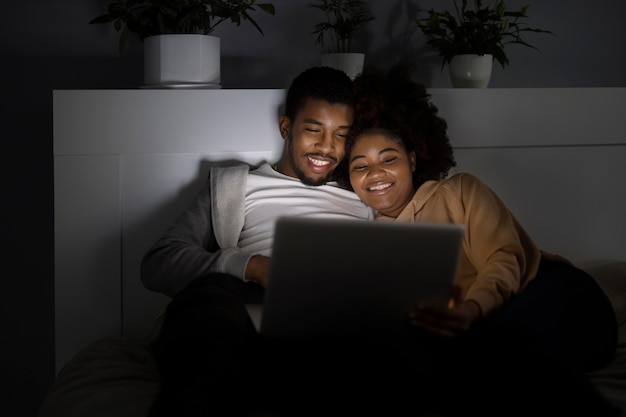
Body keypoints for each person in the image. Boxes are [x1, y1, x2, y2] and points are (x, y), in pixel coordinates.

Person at [335, 63, 620, 416]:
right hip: (478, 330)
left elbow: (505, 259)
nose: (375, 173)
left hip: (552, 295)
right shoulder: (365, 245)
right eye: (359, 166)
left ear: (412, 158)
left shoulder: (458, 190)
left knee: (502, 348)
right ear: (350, 178)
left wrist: (471, 310)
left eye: (388, 158)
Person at [141, 66, 375, 417]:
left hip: (334, 313)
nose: (326, 148)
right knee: (210, 300)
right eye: (314, 130)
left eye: (341, 135)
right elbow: (159, 262)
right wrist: (252, 266)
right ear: (286, 128)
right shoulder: (236, 184)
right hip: (249, 302)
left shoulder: (363, 196)